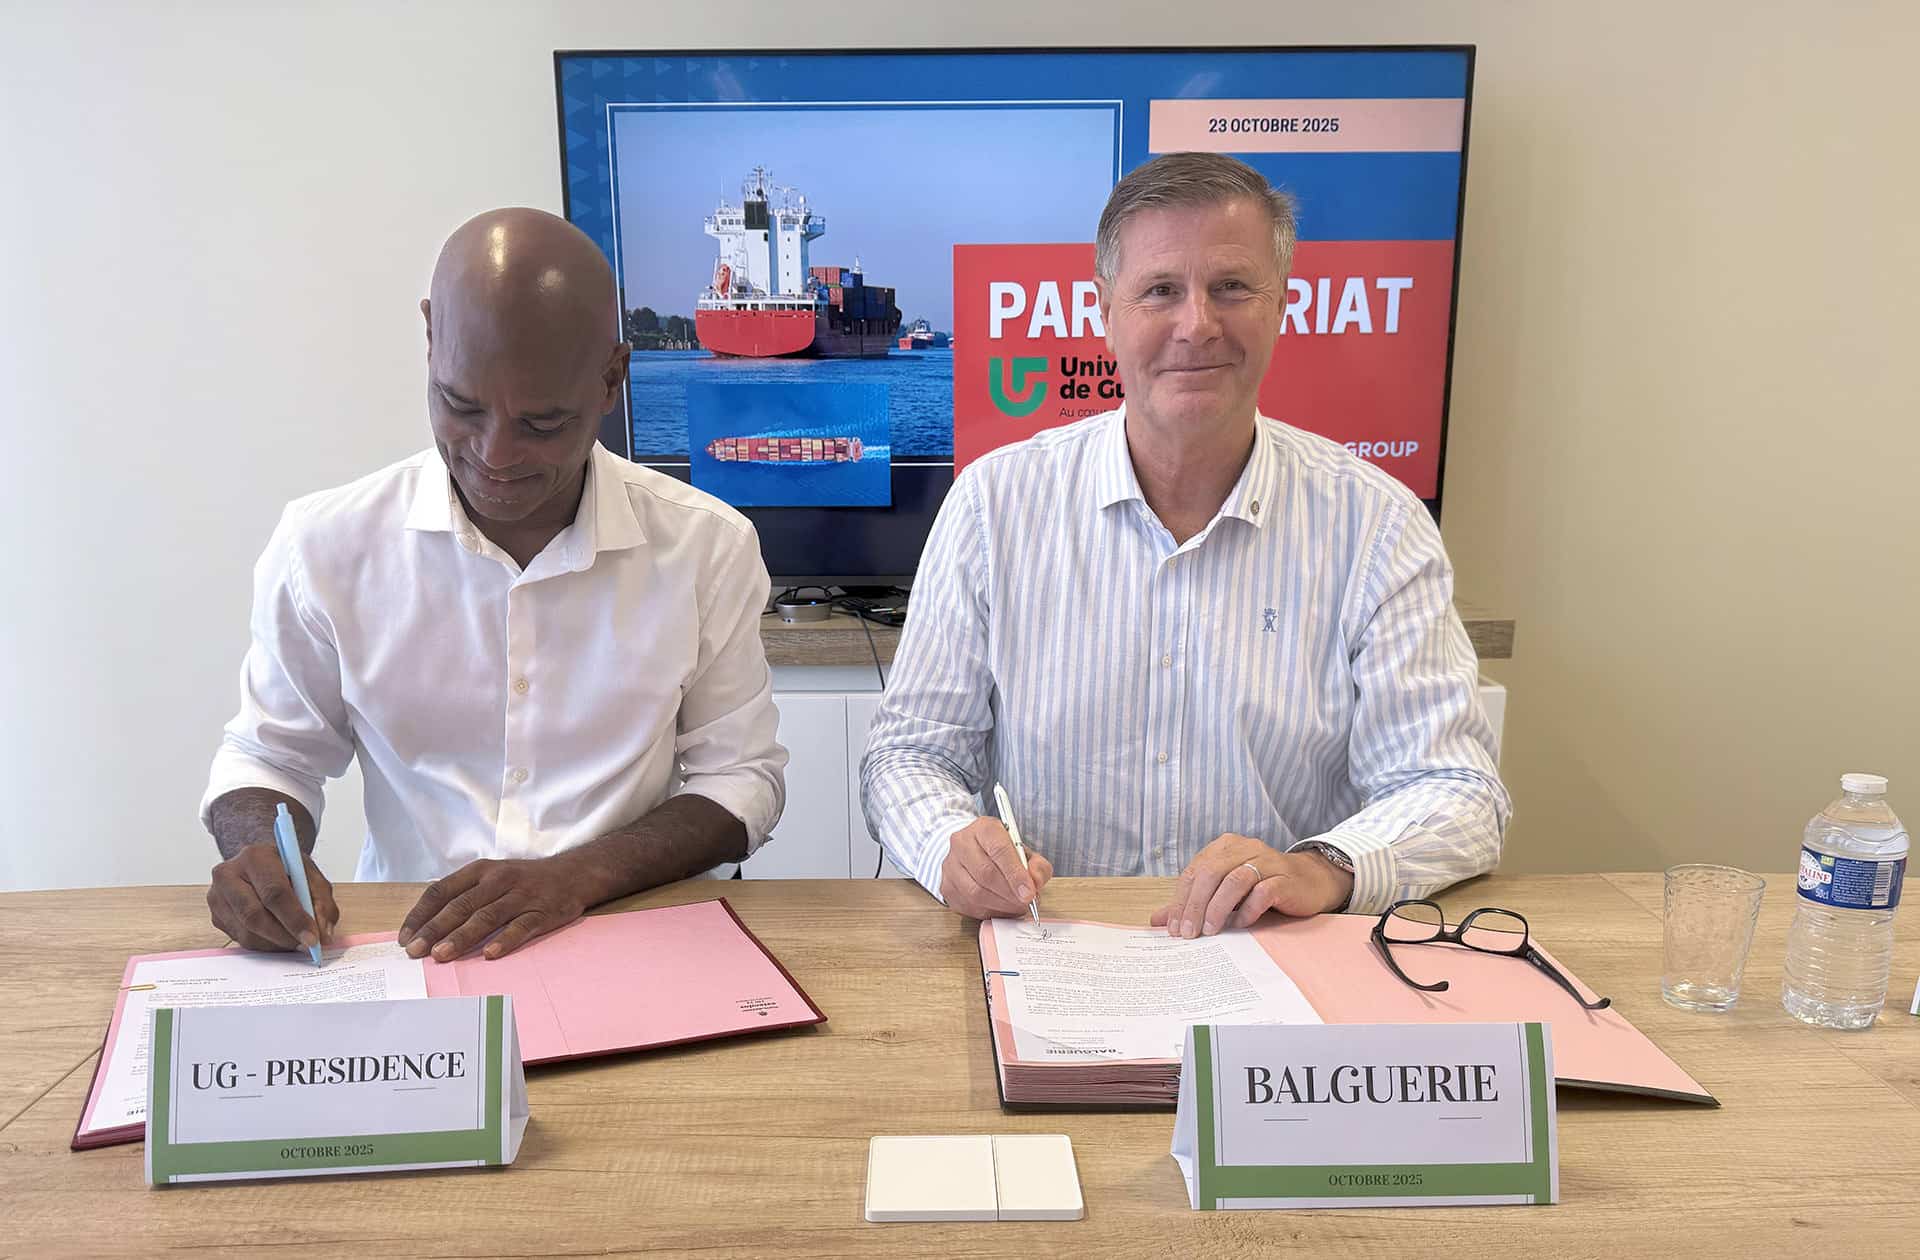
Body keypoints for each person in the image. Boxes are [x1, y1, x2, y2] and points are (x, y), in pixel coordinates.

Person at [861, 152, 1507, 937]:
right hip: (1052, 949)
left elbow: (1456, 789)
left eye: (1232, 287)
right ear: (1104, 315)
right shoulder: (994, 506)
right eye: (1160, 290)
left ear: (1282, 307)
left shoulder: (1376, 524)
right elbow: (909, 756)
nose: (1197, 324)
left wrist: (1321, 867)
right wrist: (945, 845)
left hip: (1279, 958)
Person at [202, 208, 786, 962]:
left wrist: (576, 877)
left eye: (543, 424)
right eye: (460, 406)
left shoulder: (706, 546)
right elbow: (269, 757)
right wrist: (257, 855)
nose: (495, 454)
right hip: (407, 951)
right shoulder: (325, 545)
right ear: (429, 338)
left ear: (613, 378)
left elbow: (742, 779)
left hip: (632, 935)